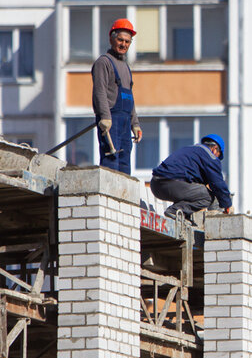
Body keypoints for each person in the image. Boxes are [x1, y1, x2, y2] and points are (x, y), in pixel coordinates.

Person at [92, 18, 142, 175]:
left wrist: (135, 123)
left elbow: (130, 97)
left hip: (125, 122)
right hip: (111, 120)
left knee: (125, 162)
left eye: (127, 42)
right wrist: (105, 117)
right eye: (120, 40)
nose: (124, 45)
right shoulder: (103, 62)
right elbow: (99, 91)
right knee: (111, 161)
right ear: (111, 39)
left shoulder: (126, 67)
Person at [150, 134, 233, 221]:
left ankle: (183, 215)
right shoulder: (209, 156)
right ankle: (175, 211)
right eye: (218, 155)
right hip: (171, 183)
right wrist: (227, 204)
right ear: (214, 148)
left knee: (193, 192)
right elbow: (218, 183)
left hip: (156, 185)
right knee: (207, 197)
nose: (217, 158)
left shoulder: (190, 150)